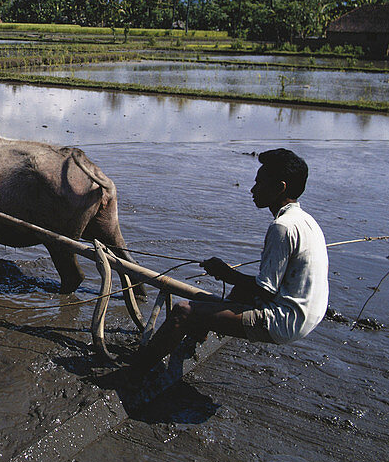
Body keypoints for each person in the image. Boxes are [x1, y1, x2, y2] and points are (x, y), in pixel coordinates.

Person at [119, 148, 329, 381]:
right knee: (232, 294)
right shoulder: (306, 220)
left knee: (183, 311)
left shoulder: (282, 227)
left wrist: (224, 272)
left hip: (285, 321)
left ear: (280, 188)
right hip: (309, 315)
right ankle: (194, 337)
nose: (252, 189)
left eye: (259, 183)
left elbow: (265, 289)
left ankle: (132, 375)